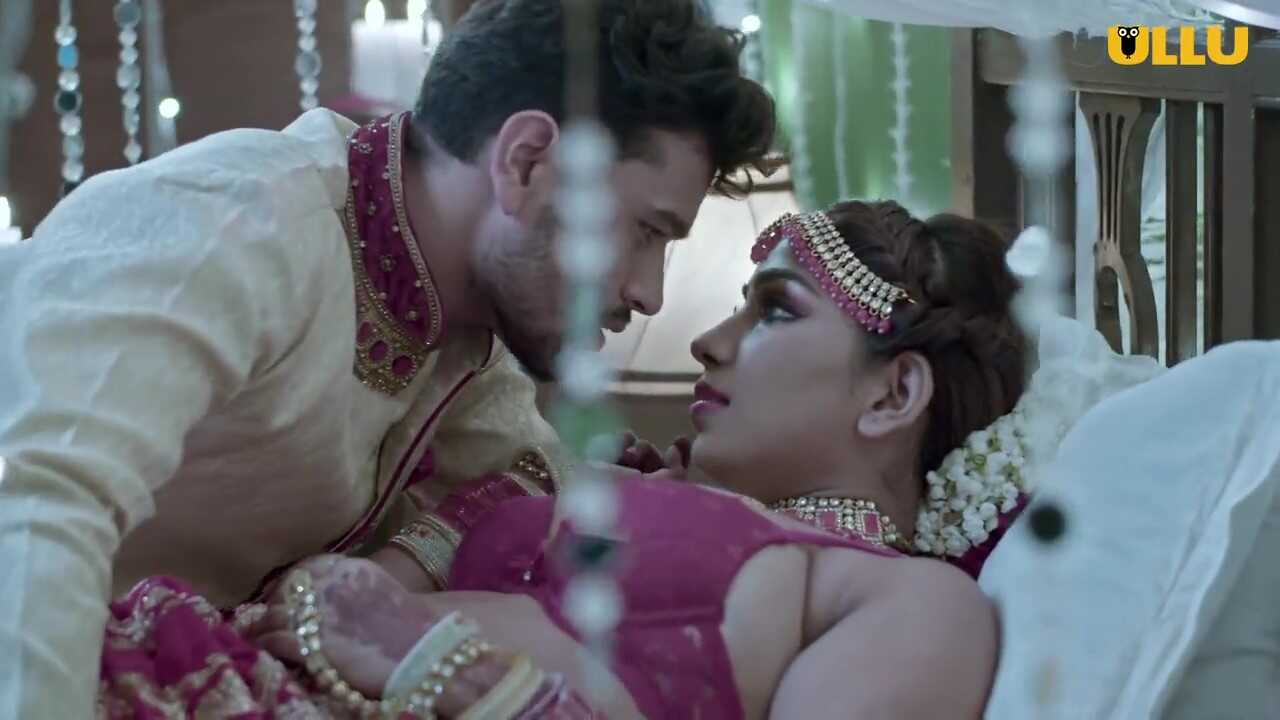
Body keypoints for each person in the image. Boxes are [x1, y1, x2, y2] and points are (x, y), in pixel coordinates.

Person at [0, 1, 776, 716]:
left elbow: (537, 480)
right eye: (645, 231)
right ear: (527, 161)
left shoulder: (459, 338)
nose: (648, 293)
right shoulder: (235, 223)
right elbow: (36, 509)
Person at [98, 200, 1103, 718]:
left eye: (773, 314)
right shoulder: (593, 476)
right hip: (191, 667)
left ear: (893, 395)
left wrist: (448, 672)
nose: (707, 342)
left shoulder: (908, 603)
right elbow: (348, 591)